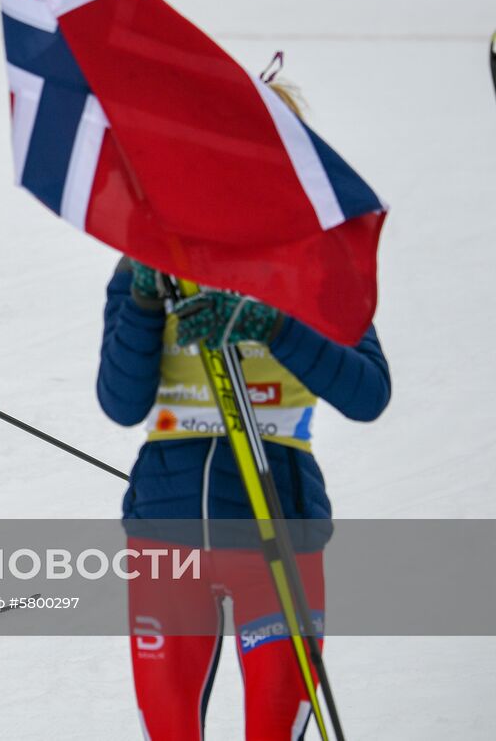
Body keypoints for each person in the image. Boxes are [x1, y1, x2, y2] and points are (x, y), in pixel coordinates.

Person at [96, 82, 391, 741]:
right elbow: (120, 402)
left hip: (279, 526)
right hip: (166, 531)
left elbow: (369, 392)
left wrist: (272, 324)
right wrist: (144, 302)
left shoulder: (320, 256)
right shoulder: (151, 249)